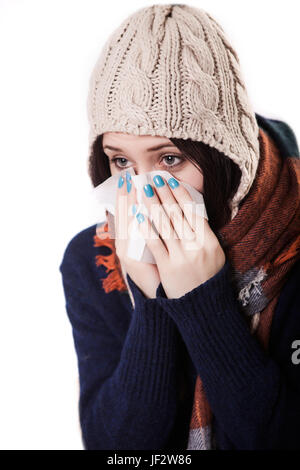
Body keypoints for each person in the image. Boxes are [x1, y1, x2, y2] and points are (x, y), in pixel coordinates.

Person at [59, 4, 300, 450]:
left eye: (170, 159)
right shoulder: (93, 261)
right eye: (121, 161)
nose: (144, 190)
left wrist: (205, 304)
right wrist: (153, 299)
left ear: (226, 158)